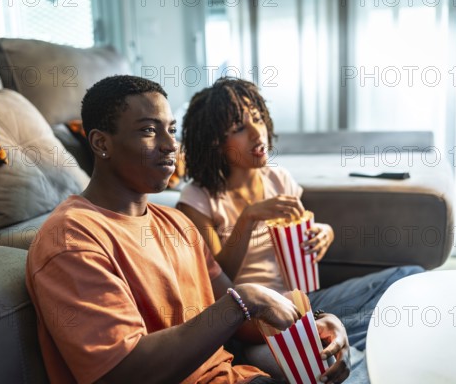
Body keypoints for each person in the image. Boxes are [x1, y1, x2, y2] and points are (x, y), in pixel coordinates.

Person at [25, 75, 353, 384]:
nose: (171, 145)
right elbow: (121, 372)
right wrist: (244, 300)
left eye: (171, 129)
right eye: (149, 131)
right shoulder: (72, 238)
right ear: (101, 143)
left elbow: (241, 323)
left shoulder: (176, 224)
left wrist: (317, 322)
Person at [177, 77, 424, 380]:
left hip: (308, 301)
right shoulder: (198, 199)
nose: (258, 133)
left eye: (257, 119)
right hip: (259, 325)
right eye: (239, 128)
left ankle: (342, 341)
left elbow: (301, 229)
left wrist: (324, 232)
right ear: (216, 141)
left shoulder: (277, 178)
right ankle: (345, 348)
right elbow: (216, 280)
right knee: (333, 362)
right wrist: (249, 217)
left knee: (409, 279)